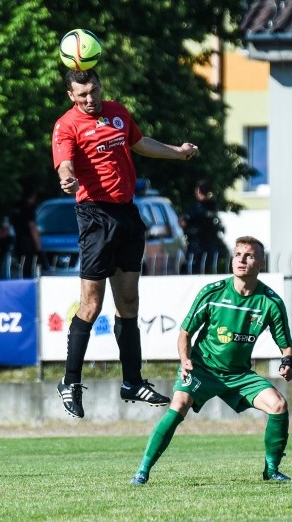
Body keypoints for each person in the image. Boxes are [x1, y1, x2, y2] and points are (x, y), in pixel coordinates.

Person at [51, 68, 199, 418]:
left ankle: (132, 381)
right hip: (94, 216)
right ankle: (70, 381)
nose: (90, 99)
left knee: (129, 301)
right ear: (71, 96)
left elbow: (139, 143)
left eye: (93, 91)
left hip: (127, 214)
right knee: (90, 305)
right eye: (82, 95)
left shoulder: (117, 111)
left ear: (101, 86)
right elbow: (65, 163)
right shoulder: (66, 125)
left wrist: (177, 152)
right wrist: (67, 180)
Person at [130, 236, 292, 485]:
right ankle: (142, 471)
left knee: (279, 405)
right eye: (238, 254)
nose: (241, 259)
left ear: (261, 262)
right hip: (203, 368)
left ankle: (271, 470)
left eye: (249, 255)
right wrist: (185, 360)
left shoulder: (270, 302)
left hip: (239, 374)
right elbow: (185, 333)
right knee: (179, 404)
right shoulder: (213, 293)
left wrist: (288, 364)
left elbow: (287, 348)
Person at [179, 179, 228, 273]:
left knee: (195, 269)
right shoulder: (212, 207)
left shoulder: (197, 208)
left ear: (198, 191)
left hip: (197, 244)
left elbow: (184, 222)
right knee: (207, 268)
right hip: (209, 243)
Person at [10, 187, 41, 278]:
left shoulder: (16, 207)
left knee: (19, 263)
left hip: (17, 239)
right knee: (28, 264)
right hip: (27, 240)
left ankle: (19, 279)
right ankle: (27, 281)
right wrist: (38, 247)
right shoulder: (28, 208)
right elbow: (32, 227)